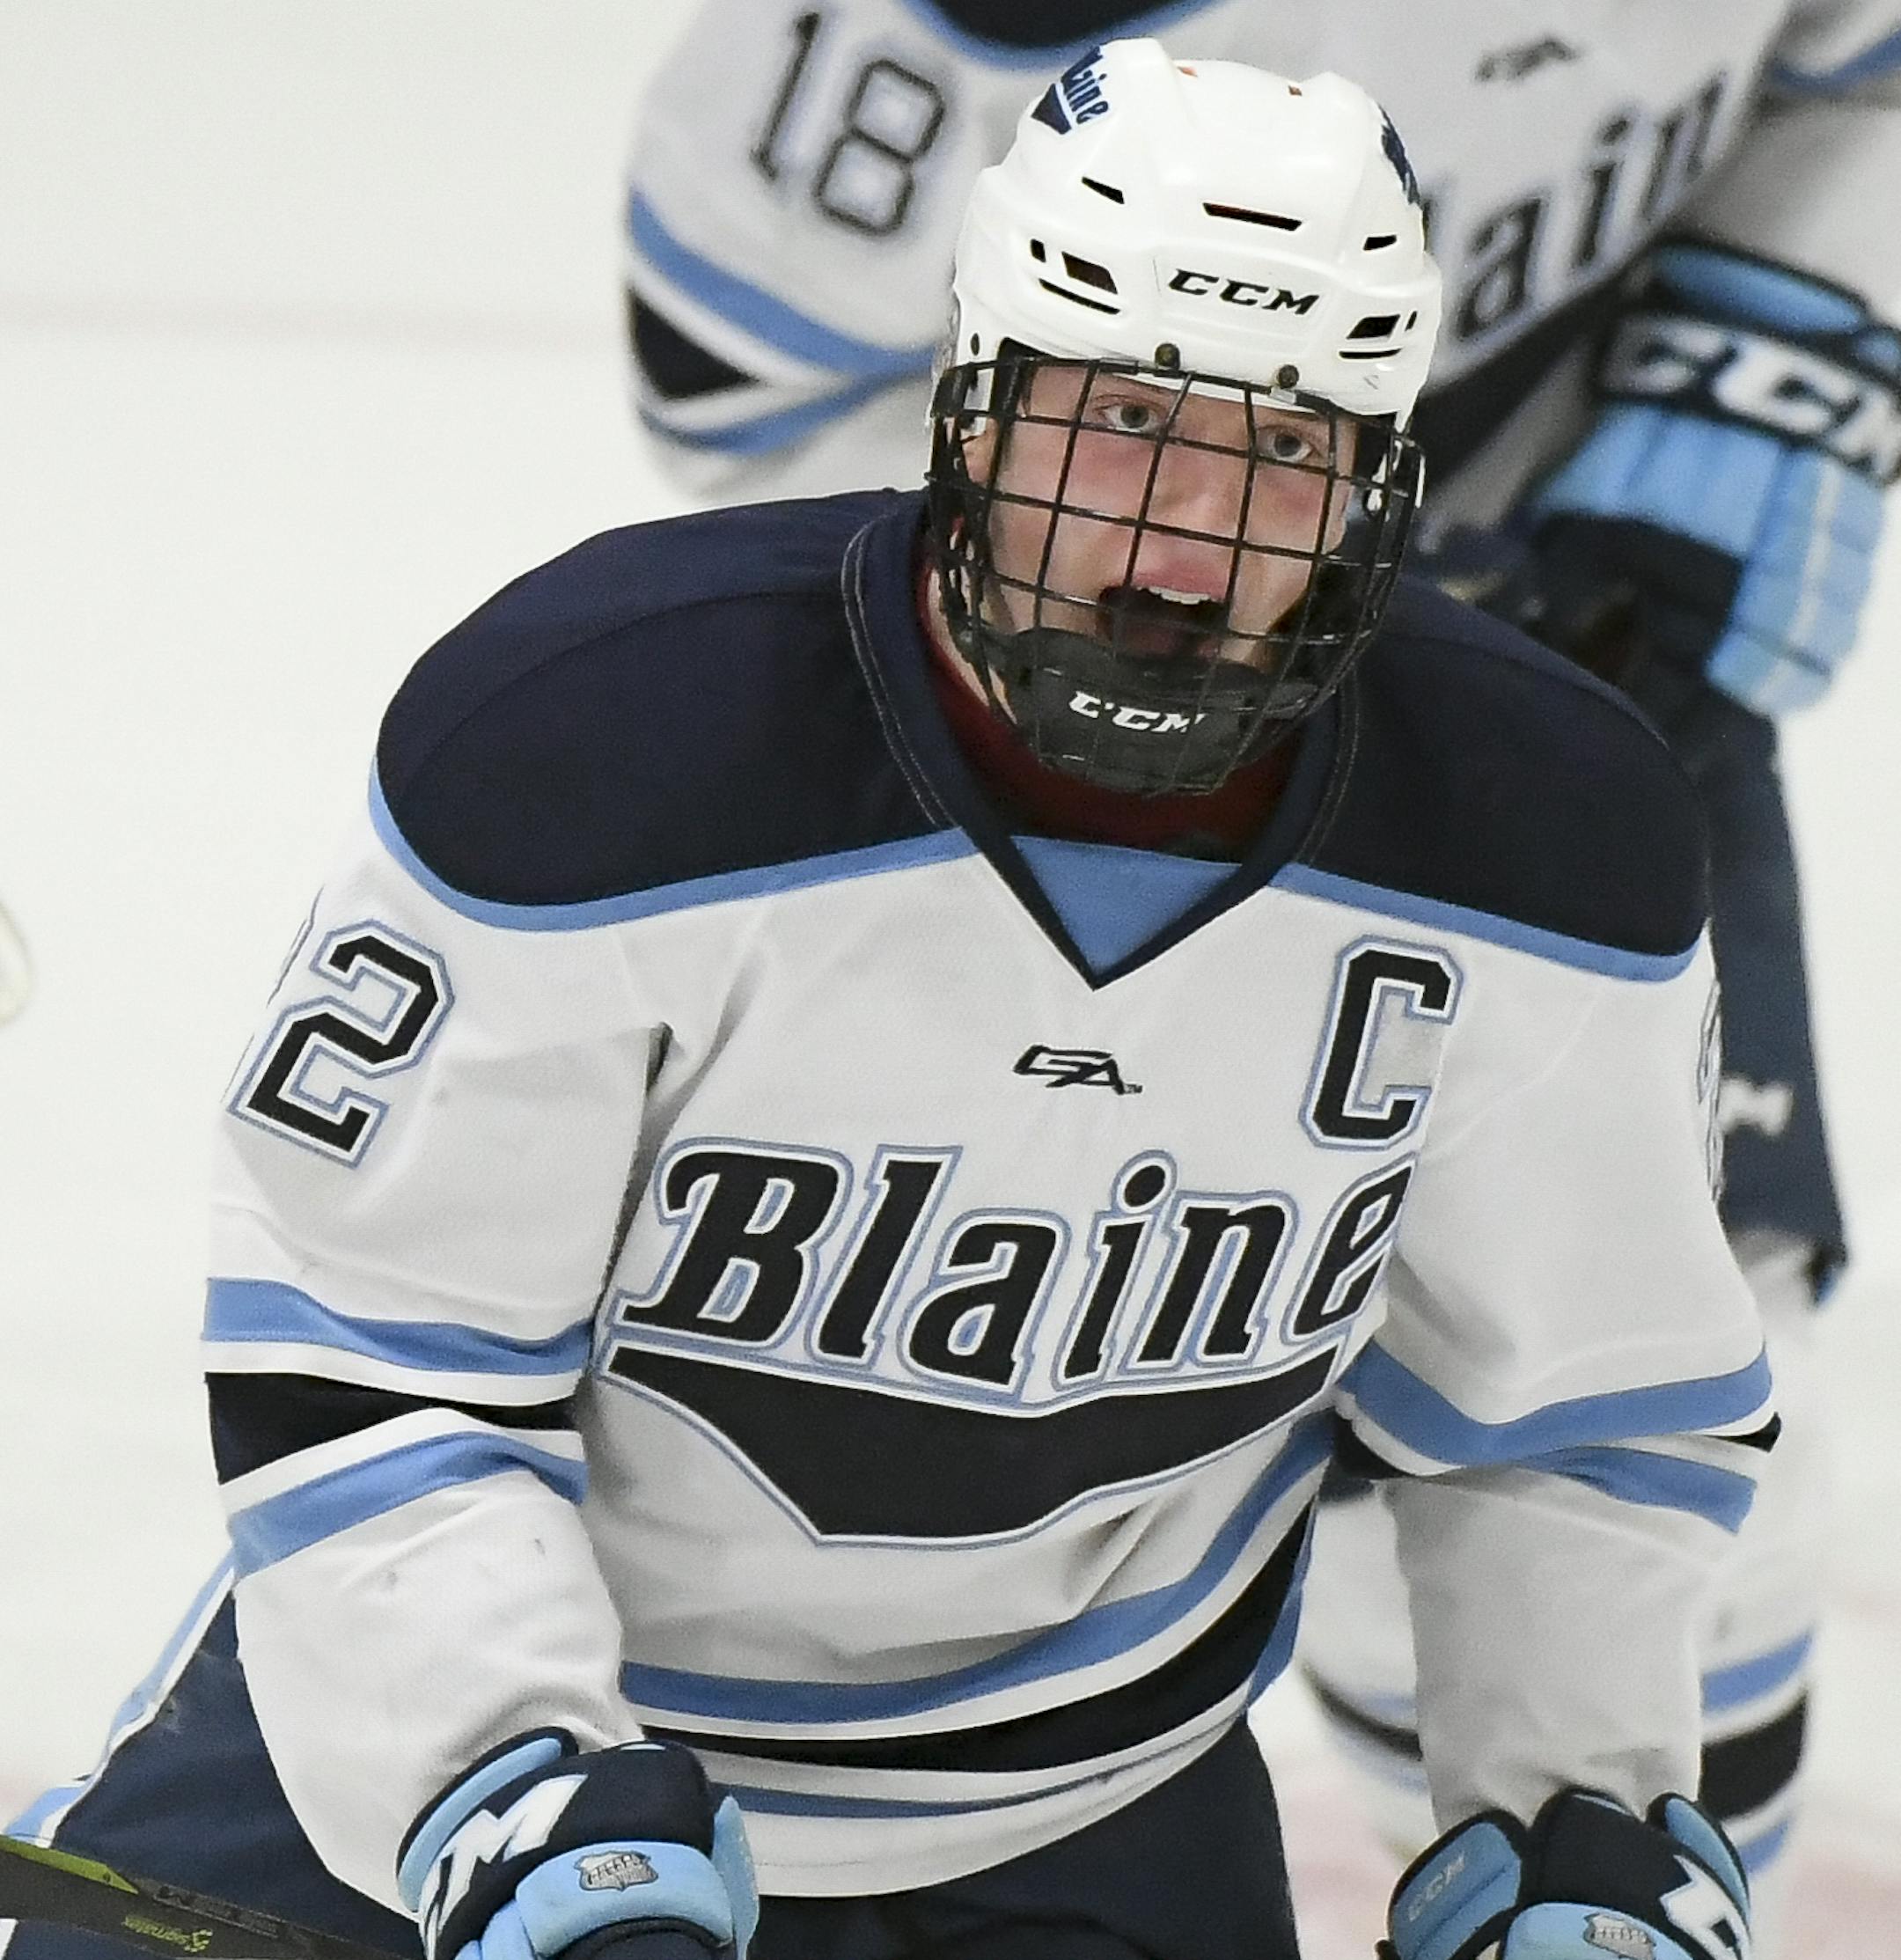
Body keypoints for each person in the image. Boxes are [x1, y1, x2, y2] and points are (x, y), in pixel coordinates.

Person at [10, 44, 1772, 1960]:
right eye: (1122, 425)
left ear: (1377, 480)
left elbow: (1568, 1415)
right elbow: (373, 1357)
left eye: (1281, 453)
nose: (1188, 546)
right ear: (975, 408)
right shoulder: (595, 749)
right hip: (414, 1784)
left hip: (1087, 1807)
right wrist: (511, 1792)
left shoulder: (1543, 849)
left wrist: (1571, 1812)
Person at [622, 0, 1901, 1917]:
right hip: (1080, 749)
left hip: (1580, 641)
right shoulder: (930, 61)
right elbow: (735, 396)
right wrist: (1151, 626)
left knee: (1661, 1466)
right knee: (1076, 1378)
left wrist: (1776, 338)